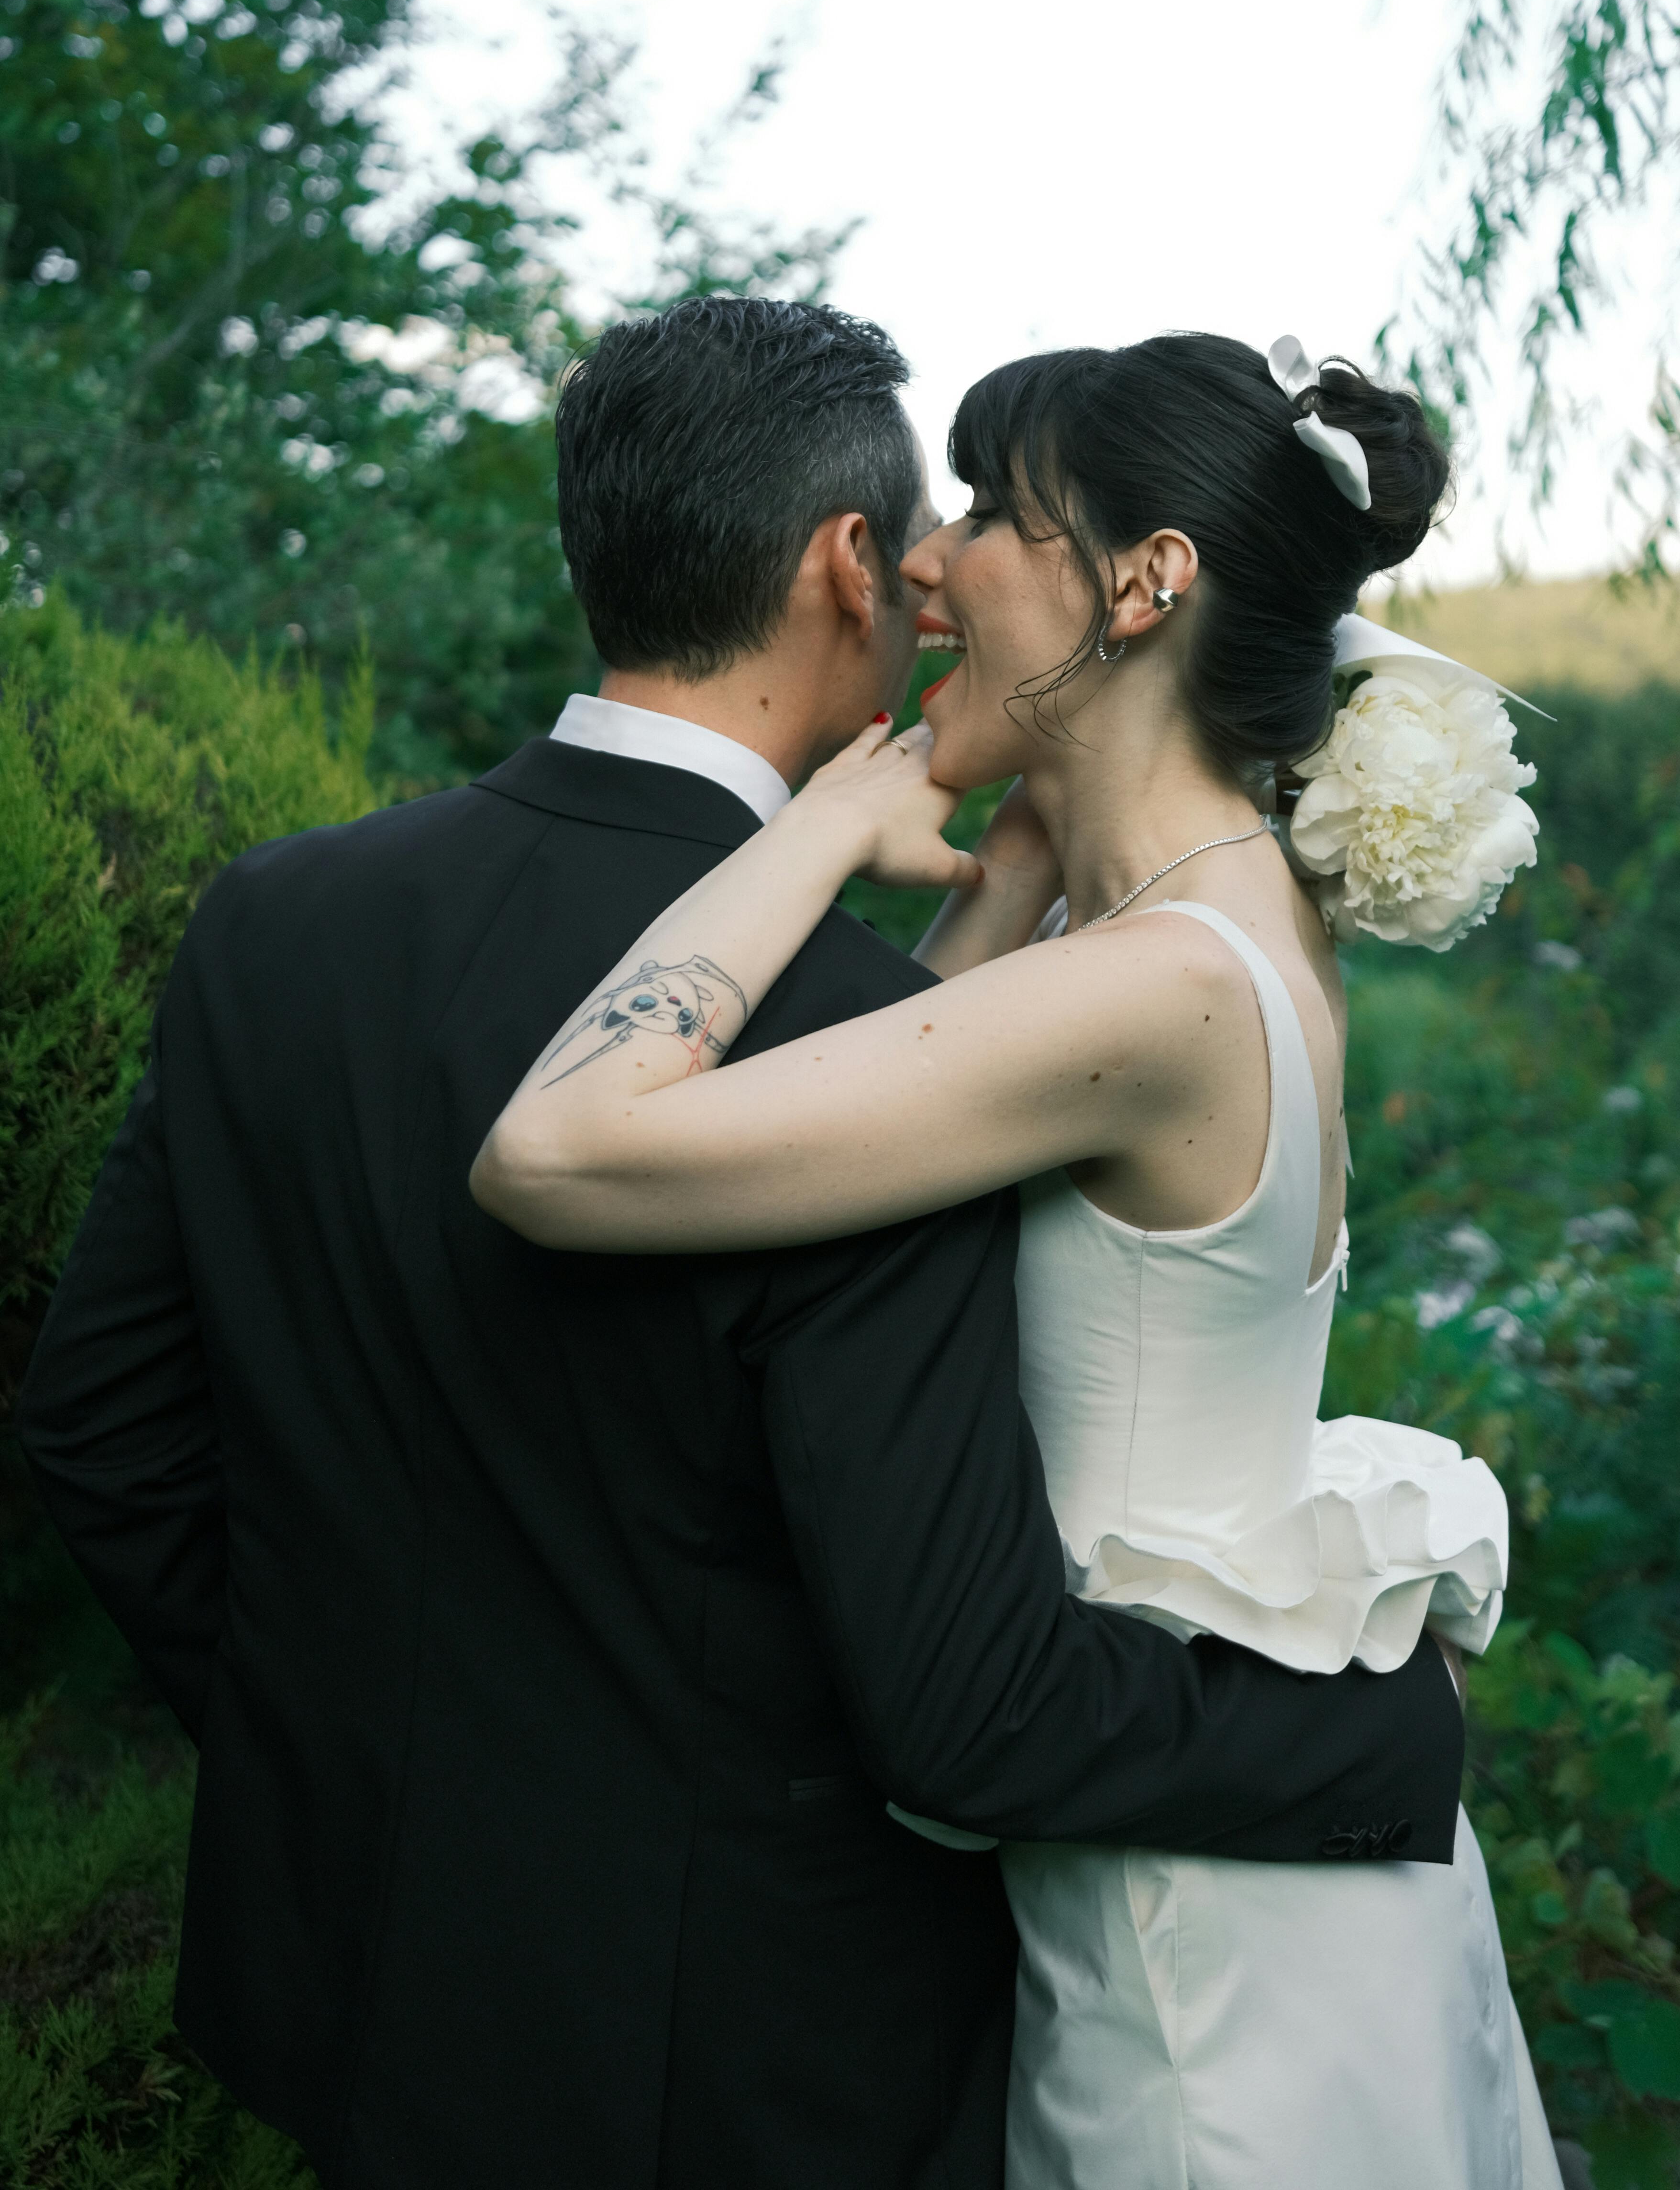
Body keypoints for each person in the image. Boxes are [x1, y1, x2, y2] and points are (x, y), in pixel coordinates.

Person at [19, 302, 1465, 2190]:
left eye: (996, 514)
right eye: (932, 521)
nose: (945, 566)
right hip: (753, 2049)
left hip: (355, 1983)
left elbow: (105, 1428)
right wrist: (1396, 1748)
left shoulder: (277, 919)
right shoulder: (906, 1028)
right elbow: (953, 1691)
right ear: (847, 566)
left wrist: (339, 1751)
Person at [471, 327, 1560, 2190]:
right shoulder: (1223, 922)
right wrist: (1012, 854)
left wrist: (823, 818)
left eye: (986, 513)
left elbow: (559, 1147)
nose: (922, 560)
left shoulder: (1147, 991)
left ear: (1143, 582)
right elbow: (888, 1153)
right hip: (1219, 1862)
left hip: (1191, 1967)